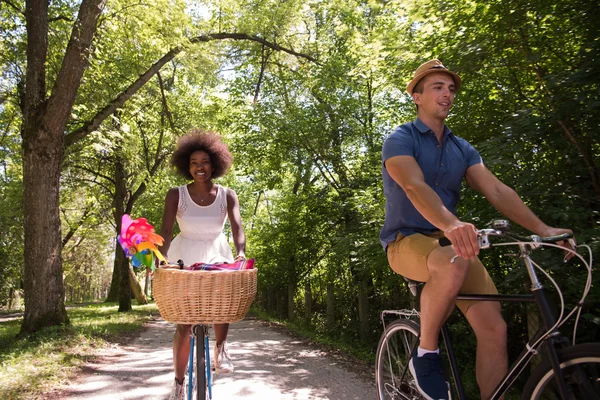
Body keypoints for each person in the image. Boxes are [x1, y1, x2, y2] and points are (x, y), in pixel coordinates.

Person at [380, 59, 573, 400]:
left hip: (452, 245)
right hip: (405, 242)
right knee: (452, 260)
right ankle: (425, 355)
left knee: (495, 330)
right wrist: (452, 224)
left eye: (451, 89)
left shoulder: (462, 148)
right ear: (417, 96)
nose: (447, 94)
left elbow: (497, 191)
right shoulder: (400, 138)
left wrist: (543, 229)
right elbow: (414, 186)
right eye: (438, 87)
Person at [157, 130, 247, 400]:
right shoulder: (176, 195)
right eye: (194, 162)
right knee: (183, 324)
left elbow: (237, 227)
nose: (200, 167)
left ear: (215, 164)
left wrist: (241, 252)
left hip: (216, 251)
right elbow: (165, 228)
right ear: (188, 166)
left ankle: (221, 350)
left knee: (222, 302)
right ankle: (179, 384)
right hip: (183, 253)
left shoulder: (227, 195)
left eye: (205, 161)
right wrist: (160, 260)